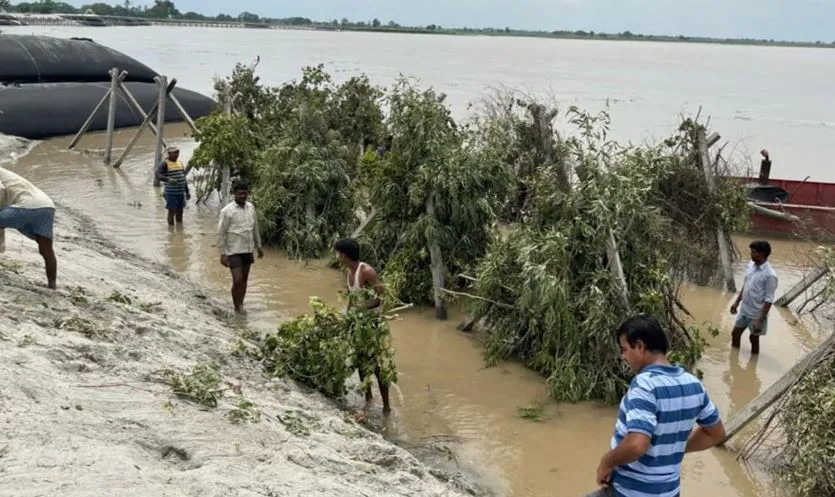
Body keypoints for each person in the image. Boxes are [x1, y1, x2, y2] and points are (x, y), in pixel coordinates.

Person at [586, 315, 725, 497]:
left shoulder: (645, 385)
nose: (623, 356)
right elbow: (716, 434)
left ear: (640, 346)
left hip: (630, 492)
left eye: (625, 349)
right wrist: (673, 448)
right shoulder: (694, 384)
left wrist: (607, 462)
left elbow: (637, 445)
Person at [333, 237, 392, 415]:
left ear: (344, 255)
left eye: (338, 253)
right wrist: (347, 317)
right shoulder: (349, 272)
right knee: (359, 361)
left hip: (371, 324)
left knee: (375, 365)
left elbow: (382, 298)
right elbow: (352, 297)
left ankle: (387, 407)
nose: (337, 257)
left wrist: (363, 309)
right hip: (358, 324)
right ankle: (368, 398)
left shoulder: (366, 271)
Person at [0, 166, 58, 289]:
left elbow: (0, 189)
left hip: (27, 204)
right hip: (47, 205)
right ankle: (52, 286)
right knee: (46, 250)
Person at [217, 179, 263, 313]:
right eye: (240, 194)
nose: (243, 196)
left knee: (244, 279)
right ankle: (236, 305)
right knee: (237, 280)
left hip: (248, 249)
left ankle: (241, 304)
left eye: (245, 193)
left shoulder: (251, 207)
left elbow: (255, 228)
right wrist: (222, 254)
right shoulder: (227, 211)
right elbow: (221, 233)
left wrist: (259, 246)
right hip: (233, 251)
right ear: (234, 194)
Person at [730, 240, 778, 355]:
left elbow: (769, 299)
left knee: (754, 339)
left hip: (757, 314)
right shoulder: (750, 265)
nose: (751, 254)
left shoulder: (770, 275)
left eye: (753, 252)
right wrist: (736, 302)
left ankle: (753, 363)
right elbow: (746, 285)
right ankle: (733, 358)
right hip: (744, 310)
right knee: (735, 333)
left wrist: (760, 320)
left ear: (762, 254)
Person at [155, 146, 191, 226]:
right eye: (174, 153)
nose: (177, 154)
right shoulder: (165, 163)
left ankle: (179, 230)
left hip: (180, 193)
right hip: (171, 193)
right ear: (169, 154)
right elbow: (157, 175)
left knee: (180, 211)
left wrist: (187, 192)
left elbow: (183, 178)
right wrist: (168, 180)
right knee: (171, 211)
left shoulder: (179, 163)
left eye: (177, 152)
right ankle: (171, 230)